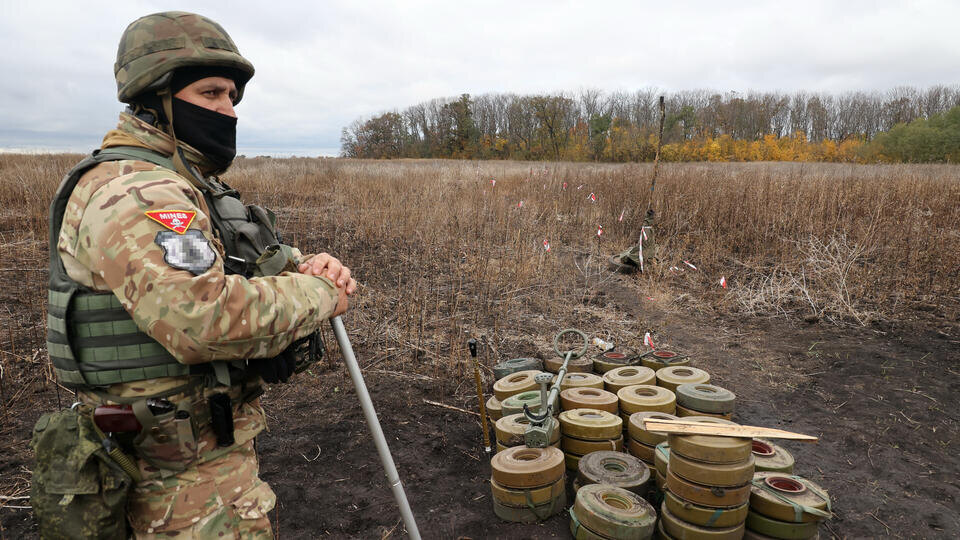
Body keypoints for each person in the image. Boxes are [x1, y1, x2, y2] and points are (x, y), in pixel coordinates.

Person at [36, 11, 355, 538]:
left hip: (201, 457)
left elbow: (235, 254)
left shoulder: (181, 182)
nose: (228, 110)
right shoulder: (137, 192)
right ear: (154, 97)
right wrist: (321, 293)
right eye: (211, 94)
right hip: (173, 484)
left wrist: (303, 264)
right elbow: (203, 319)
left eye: (232, 96)